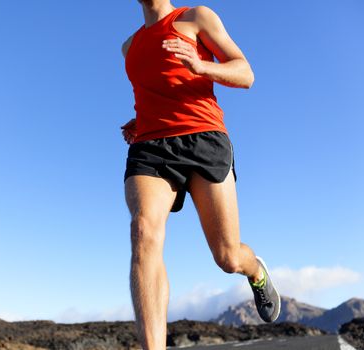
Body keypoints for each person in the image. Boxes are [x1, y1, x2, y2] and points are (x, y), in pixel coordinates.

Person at [120, 1, 281, 349]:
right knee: (143, 229)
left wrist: (200, 65)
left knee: (227, 257)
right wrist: (140, 119)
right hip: (151, 146)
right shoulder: (129, 46)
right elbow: (154, 89)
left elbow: (245, 73)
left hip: (204, 138)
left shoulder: (196, 17)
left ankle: (255, 271)